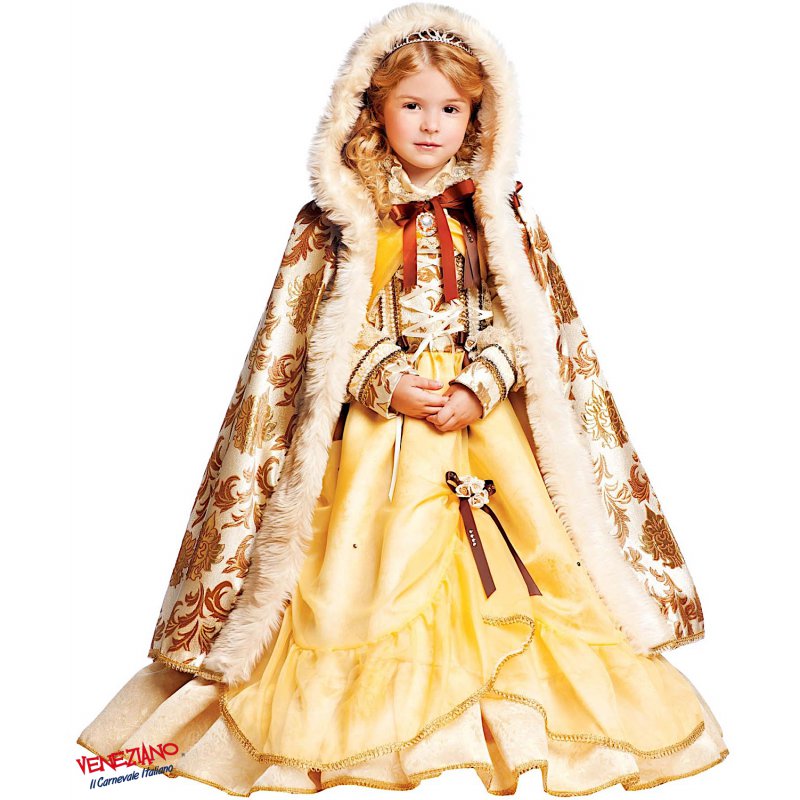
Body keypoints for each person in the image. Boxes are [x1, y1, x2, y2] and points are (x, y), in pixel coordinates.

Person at [76, 4, 728, 795]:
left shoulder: (498, 214)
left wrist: (479, 383)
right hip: (375, 440)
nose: (430, 124)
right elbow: (311, 333)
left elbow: (527, 321)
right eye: (412, 105)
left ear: (477, 118)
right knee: (354, 578)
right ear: (373, 108)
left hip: (481, 431)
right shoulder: (335, 221)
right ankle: (340, 731)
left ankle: (494, 726)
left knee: (521, 579)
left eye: (450, 109)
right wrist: (384, 378)